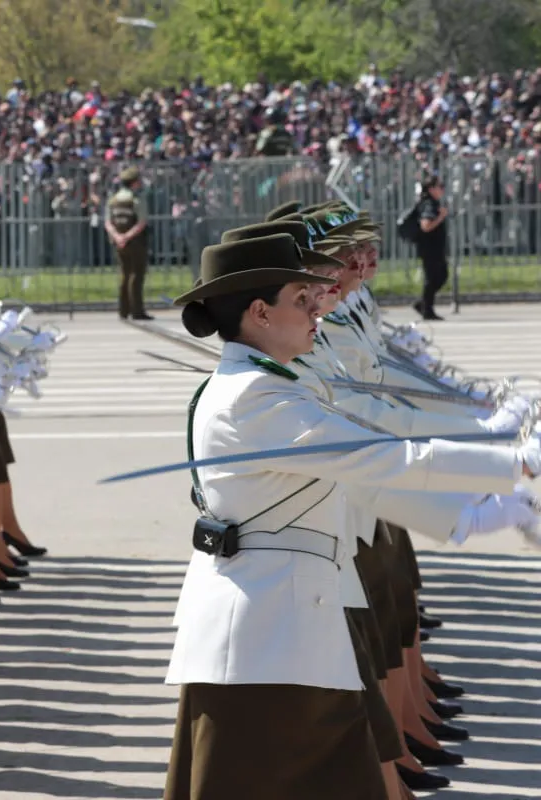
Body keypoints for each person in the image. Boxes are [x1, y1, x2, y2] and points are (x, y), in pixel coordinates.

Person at [163, 232, 541, 800]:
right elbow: (380, 458)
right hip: (265, 640)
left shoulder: (271, 385)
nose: (318, 307)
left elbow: (357, 481)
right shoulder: (257, 399)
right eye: (301, 298)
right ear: (260, 313)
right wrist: (515, 464)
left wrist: (478, 511)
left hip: (290, 631)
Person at [107, 167, 151, 320]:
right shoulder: (136, 200)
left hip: (119, 243)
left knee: (124, 274)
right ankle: (137, 310)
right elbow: (141, 222)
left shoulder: (113, 200)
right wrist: (127, 236)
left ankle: (123, 309)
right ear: (134, 183)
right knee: (136, 275)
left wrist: (118, 237)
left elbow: (108, 222)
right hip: (135, 242)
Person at [414, 175, 448, 321]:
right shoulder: (429, 204)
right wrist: (441, 217)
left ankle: (424, 304)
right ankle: (426, 308)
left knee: (439, 276)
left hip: (433, 247)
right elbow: (426, 226)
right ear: (431, 189)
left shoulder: (432, 202)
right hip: (430, 248)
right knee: (434, 277)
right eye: (440, 186)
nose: (442, 189)